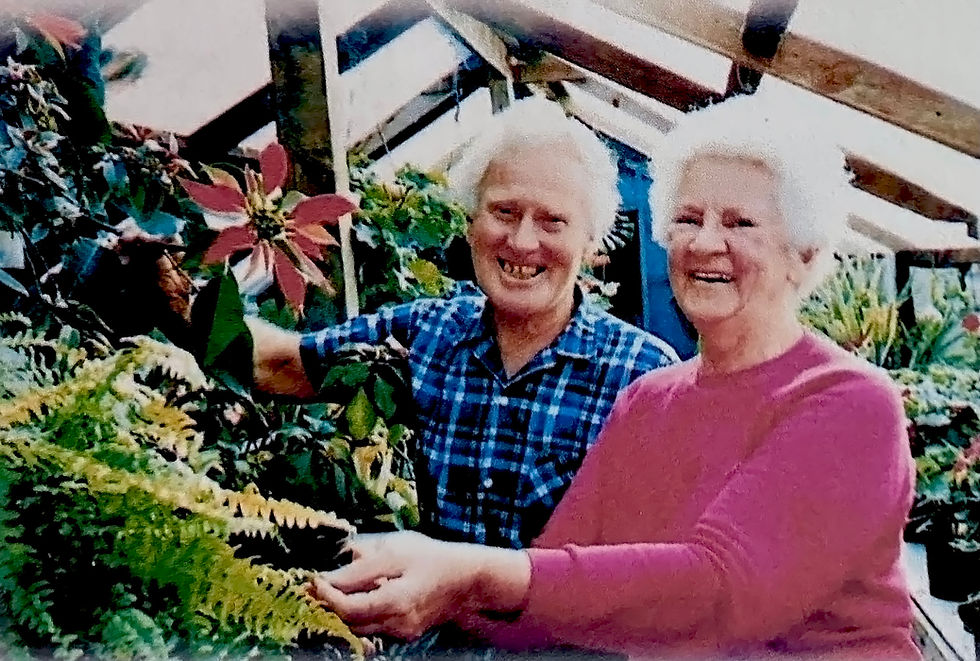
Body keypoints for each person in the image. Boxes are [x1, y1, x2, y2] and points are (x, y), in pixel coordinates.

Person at [310, 97, 921, 659]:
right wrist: (386, 578)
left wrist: (468, 572)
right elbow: (545, 596)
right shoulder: (650, 402)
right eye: (687, 218)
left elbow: (720, 591)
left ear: (806, 253)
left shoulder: (848, 402)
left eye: (740, 224)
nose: (706, 242)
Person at [249, 97, 678, 550]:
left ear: (590, 245)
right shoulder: (424, 334)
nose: (522, 241)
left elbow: (660, 563)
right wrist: (182, 293)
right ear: (471, 222)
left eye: (553, 221)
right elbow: (279, 365)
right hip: (420, 617)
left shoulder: (643, 376)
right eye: (504, 212)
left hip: (571, 620)